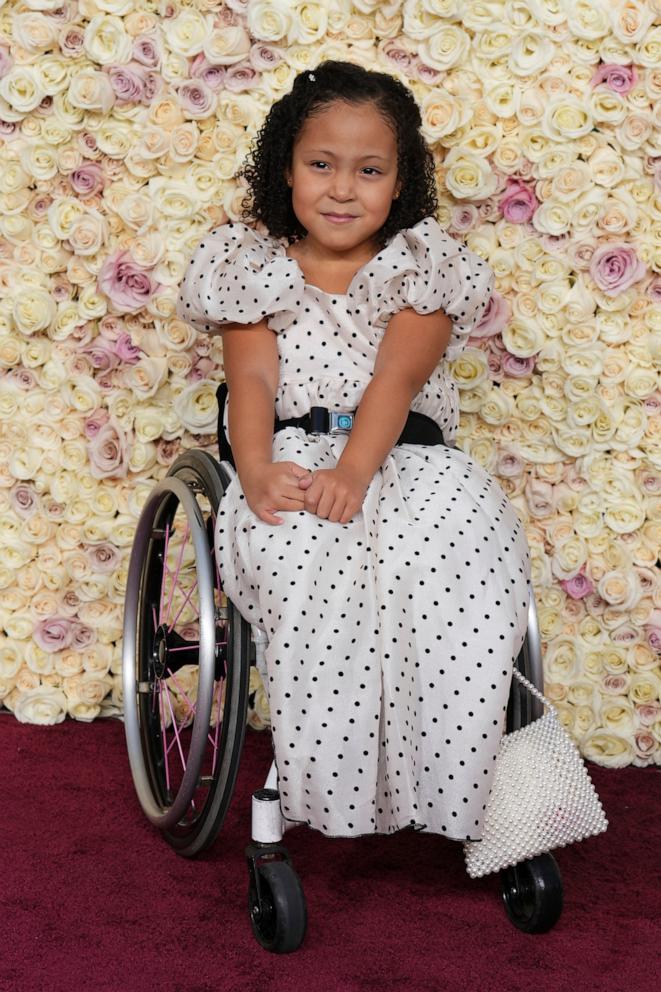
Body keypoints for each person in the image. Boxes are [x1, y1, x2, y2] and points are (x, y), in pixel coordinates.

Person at [176, 60, 532, 843]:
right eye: (321, 165)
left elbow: (394, 382)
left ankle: (462, 798)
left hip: (403, 457)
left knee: (454, 559)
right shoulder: (251, 263)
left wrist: (356, 472)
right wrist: (260, 469)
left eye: (369, 170)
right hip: (290, 451)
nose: (342, 189)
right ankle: (328, 790)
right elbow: (253, 377)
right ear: (286, 170)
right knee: (307, 552)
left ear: (399, 183)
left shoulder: (422, 267)